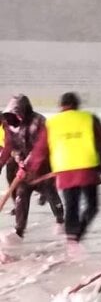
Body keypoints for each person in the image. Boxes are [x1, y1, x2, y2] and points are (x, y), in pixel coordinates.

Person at [22, 92, 101, 251]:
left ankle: (71, 238)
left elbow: (40, 149)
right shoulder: (89, 118)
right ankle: (78, 234)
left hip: (64, 170)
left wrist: (31, 170)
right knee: (92, 206)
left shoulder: (52, 123)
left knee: (71, 205)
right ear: (77, 104)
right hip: (87, 168)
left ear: (61, 106)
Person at [0, 94, 64, 242]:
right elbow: (10, 146)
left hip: (44, 167)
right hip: (25, 167)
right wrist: (14, 161)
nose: (17, 118)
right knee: (21, 194)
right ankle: (19, 231)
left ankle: (60, 220)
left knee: (50, 192)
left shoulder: (39, 122)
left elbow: (40, 149)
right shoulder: (11, 125)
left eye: (19, 114)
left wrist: (28, 165)